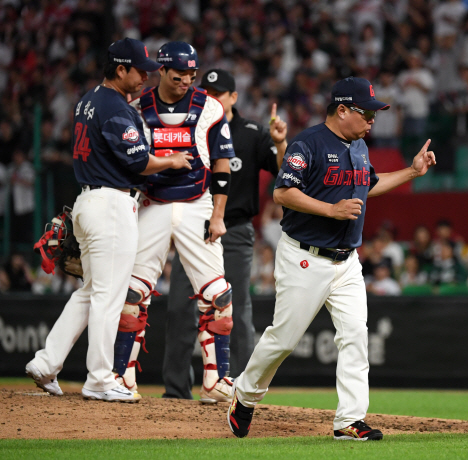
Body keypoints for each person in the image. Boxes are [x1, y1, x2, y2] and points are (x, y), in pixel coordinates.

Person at [227, 76, 436, 440]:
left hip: (347, 261)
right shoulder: (308, 142)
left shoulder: (358, 147)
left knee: (355, 335)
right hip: (305, 257)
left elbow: (368, 184)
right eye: (366, 113)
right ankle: (244, 395)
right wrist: (330, 209)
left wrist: (412, 171)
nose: (372, 121)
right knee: (283, 340)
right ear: (342, 110)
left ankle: (349, 421)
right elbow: (282, 193)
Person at [25, 38, 191, 402]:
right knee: (108, 295)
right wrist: (173, 160)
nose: (146, 78)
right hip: (111, 205)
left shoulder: (88, 100)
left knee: (90, 291)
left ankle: (46, 362)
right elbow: (140, 162)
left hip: (89, 201)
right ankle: (100, 379)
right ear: (120, 69)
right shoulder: (115, 106)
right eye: (139, 71)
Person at [112, 43, 236, 404]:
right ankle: (123, 376)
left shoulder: (210, 107)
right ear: (162, 72)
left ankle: (215, 381)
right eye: (179, 75)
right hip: (151, 202)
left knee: (219, 296)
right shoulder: (138, 108)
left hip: (198, 204)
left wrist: (218, 214)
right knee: (131, 294)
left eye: (191, 77)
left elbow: (223, 163)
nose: (186, 82)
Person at [161, 68, 287, 400]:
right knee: (178, 308)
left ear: (234, 97)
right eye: (208, 92)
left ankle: (240, 389)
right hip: (193, 227)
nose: (212, 98)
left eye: (219, 93)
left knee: (238, 309)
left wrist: (279, 142)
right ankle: (175, 392)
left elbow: (282, 170)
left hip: (234, 230)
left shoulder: (250, 132)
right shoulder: (189, 126)